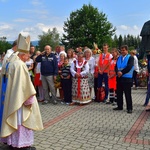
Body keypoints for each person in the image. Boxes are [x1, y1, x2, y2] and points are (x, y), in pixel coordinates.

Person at [0, 33, 43, 150]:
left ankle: (11, 142)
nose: (28, 56)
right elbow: (24, 86)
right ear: (22, 54)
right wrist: (29, 99)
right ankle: (20, 144)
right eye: (28, 54)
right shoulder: (20, 65)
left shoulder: (9, 63)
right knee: (21, 120)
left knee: (13, 119)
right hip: (19, 100)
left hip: (10, 98)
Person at [113, 45, 134, 113]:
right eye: (121, 50)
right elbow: (116, 66)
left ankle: (129, 108)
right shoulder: (119, 57)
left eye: (124, 50)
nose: (122, 51)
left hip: (127, 78)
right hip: (119, 78)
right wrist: (117, 72)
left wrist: (122, 72)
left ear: (127, 51)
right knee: (119, 93)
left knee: (127, 94)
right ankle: (120, 106)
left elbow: (129, 66)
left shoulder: (130, 57)